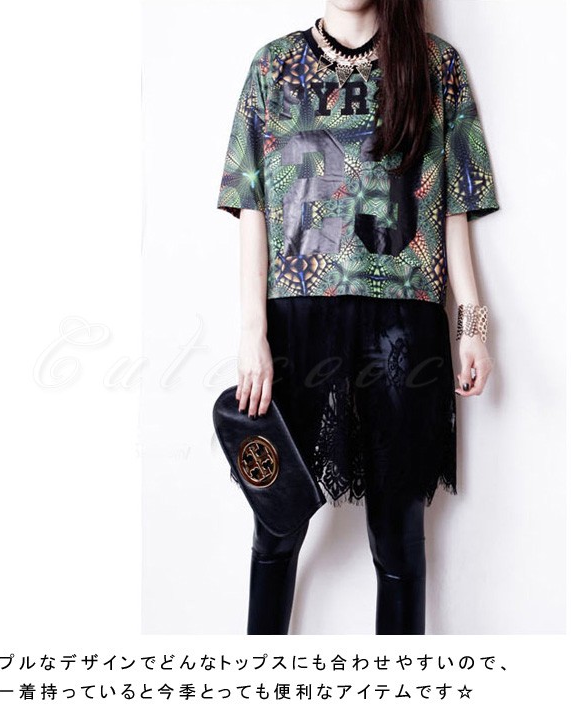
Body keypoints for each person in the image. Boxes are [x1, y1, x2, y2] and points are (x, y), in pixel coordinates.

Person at [216, 0, 499, 634]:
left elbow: (453, 203)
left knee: (398, 539)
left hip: (404, 324)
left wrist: (473, 325)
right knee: (276, 525)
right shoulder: (273, 67)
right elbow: (251, 205)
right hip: (296, 323)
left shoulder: (435, 67)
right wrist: (252, 332)